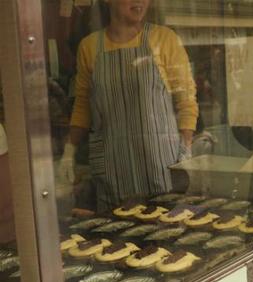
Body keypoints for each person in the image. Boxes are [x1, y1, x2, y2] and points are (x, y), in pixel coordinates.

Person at [59, 0, 199, 211]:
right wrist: (69, 152)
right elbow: (83, 107)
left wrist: (186, 149)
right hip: (112, 171)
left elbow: (186, 100)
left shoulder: (164, 39)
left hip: (160, 167)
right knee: (116, 237)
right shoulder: (89, 47)